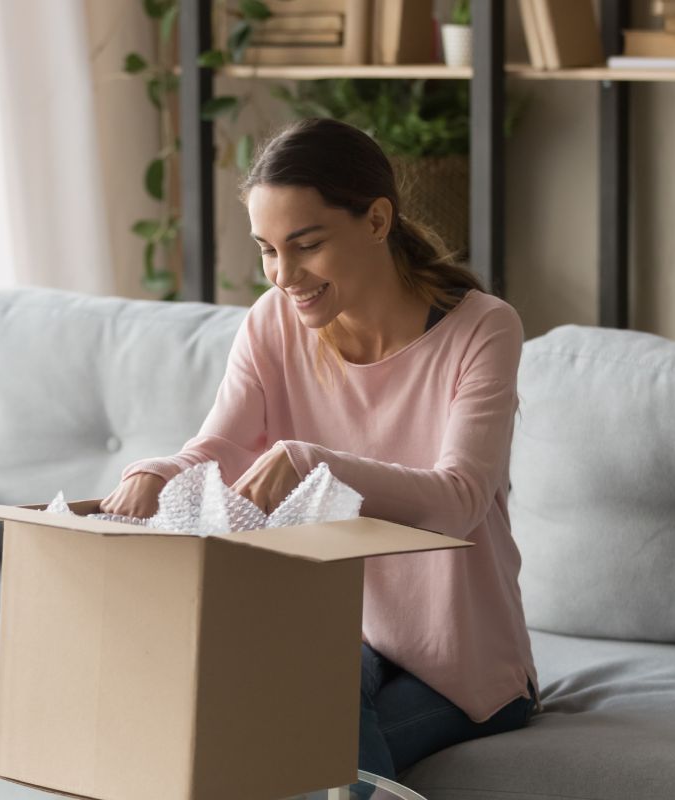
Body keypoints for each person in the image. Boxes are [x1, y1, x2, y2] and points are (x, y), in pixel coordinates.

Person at [100, 117, 541, 793]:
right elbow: (217, 447)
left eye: (305, 246)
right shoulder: (272, 322)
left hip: (465, 664)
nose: (283, 275)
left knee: (284, 757)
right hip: (337, 639)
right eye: (268, 251)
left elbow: (460, 500)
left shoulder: (482, 328)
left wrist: (312, 461)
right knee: (255, 735)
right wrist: (153, 473)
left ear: (376, 219)